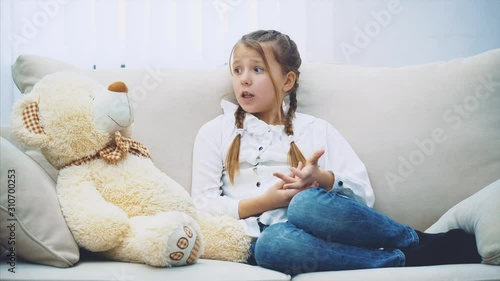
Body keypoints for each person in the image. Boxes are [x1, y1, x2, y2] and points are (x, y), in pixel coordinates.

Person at [191, 29, 480, 275]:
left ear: (287, 81)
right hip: (270, 239)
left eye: (257, 69)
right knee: (271, 245)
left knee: (303, 204)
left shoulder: (315, 130)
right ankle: (403, 259)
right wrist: (262, 202)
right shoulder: (215, 131)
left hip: (315, 220)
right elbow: (200, 205)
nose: (244, 79)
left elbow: (364, 194)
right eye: (238, 70)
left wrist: (325, 178)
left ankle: (414, 239)